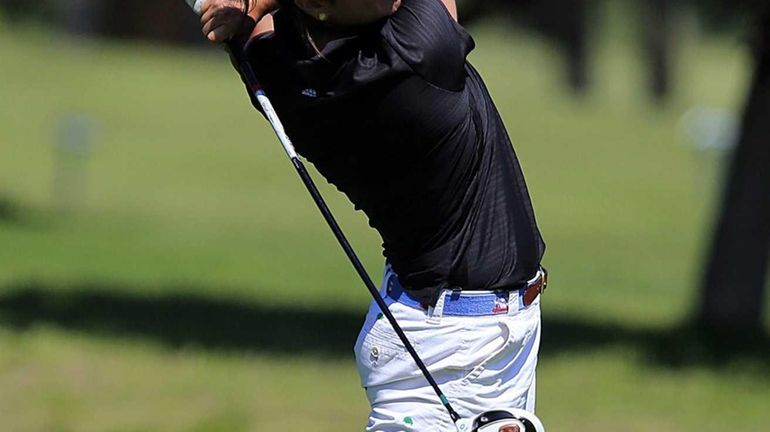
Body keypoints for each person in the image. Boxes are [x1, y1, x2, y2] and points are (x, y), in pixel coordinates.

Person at [194, 0, 547, 430]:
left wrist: (240, 10)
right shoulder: (417, 53)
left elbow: (248, 32)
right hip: (455, 345)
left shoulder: (279, 76)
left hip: (451, 332)